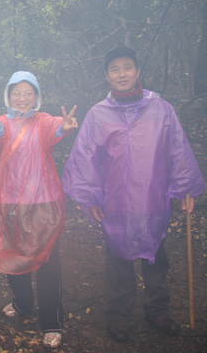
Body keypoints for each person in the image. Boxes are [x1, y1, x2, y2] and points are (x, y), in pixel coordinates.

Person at [62, 47, 206, 342]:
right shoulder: (99, 114)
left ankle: (158, 310)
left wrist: (185, 187)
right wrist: (90, 197)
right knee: (118, 262)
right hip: (116, 202)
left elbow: (177, 147)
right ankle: (119, 316)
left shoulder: (160, 109)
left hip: (153, 199)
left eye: (127, 67)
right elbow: (85, 156)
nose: (122, 74)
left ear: (138, 72)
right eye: (115, 69)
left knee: (156, 258)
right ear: (107, 75)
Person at [0, 71, 77, 349]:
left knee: (47, 261)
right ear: (8, 95)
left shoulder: (43, 121)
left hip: (43, 203)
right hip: (9, 201)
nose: (22, 98)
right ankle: (23, 303)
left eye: (28, 93)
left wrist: (65, 127)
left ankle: (52, 322)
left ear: (36, 96)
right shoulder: (1, 122)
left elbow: (55, 130)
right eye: (17, 93)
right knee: (13, 254)